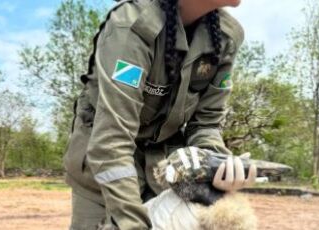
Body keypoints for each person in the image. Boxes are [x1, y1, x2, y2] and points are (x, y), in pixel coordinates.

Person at [63, 0, 255, 229]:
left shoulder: (226, 37)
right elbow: (111, 139)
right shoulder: (132, 23)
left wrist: (215, 166)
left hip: (163, 167)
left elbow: (206, 124)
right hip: (104, 170)